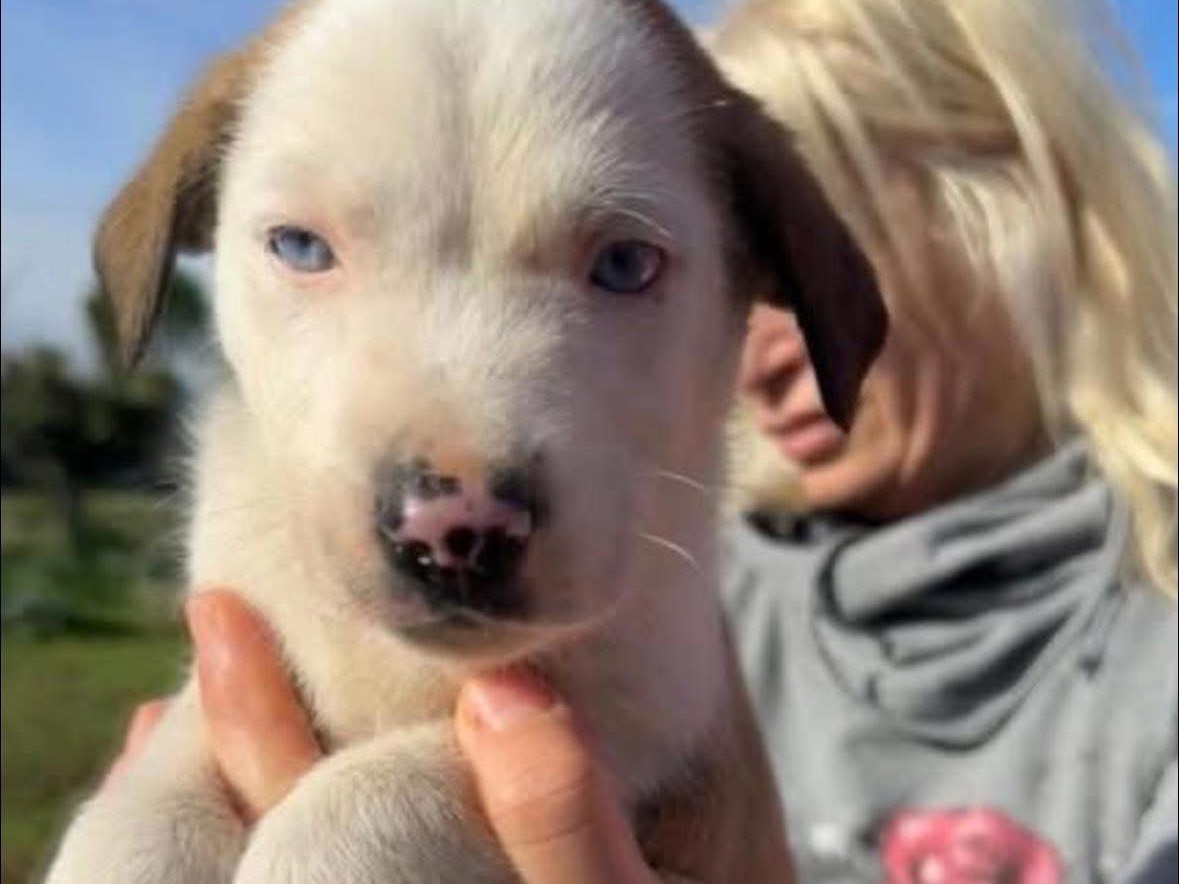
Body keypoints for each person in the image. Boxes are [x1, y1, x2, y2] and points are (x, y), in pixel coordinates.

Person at [107, 0, 1177, 881]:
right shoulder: (740, 574)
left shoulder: (1150, 688)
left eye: (624, 265)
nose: (760, 342)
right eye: (302, 246)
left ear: (1039, 237)